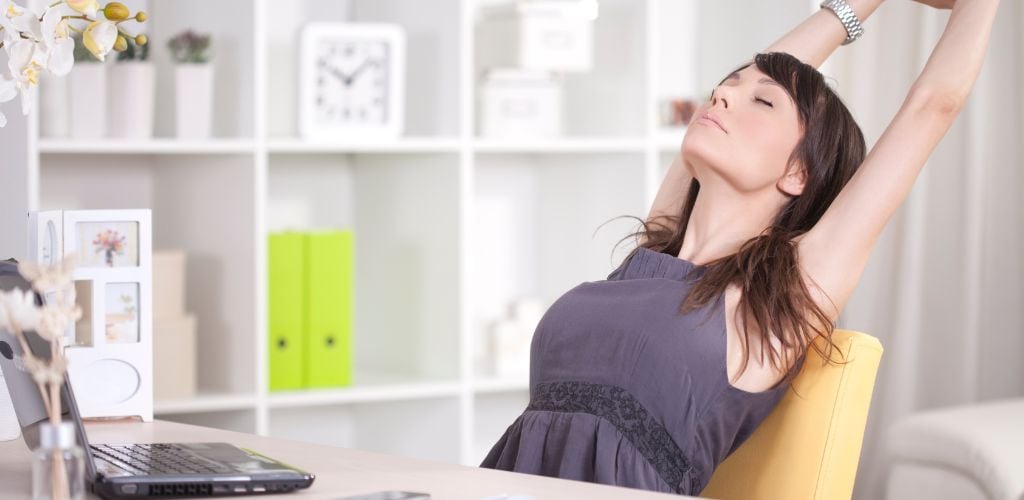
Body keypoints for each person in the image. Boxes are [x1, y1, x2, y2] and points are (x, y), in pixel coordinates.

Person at [479, 0, 1001, 495]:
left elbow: (933, 106)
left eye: (762, 101)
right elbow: (773, 68)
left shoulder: (779, 301)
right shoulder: (655, 252)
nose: (722, 96)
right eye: (725, 88)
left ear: (799, 172)